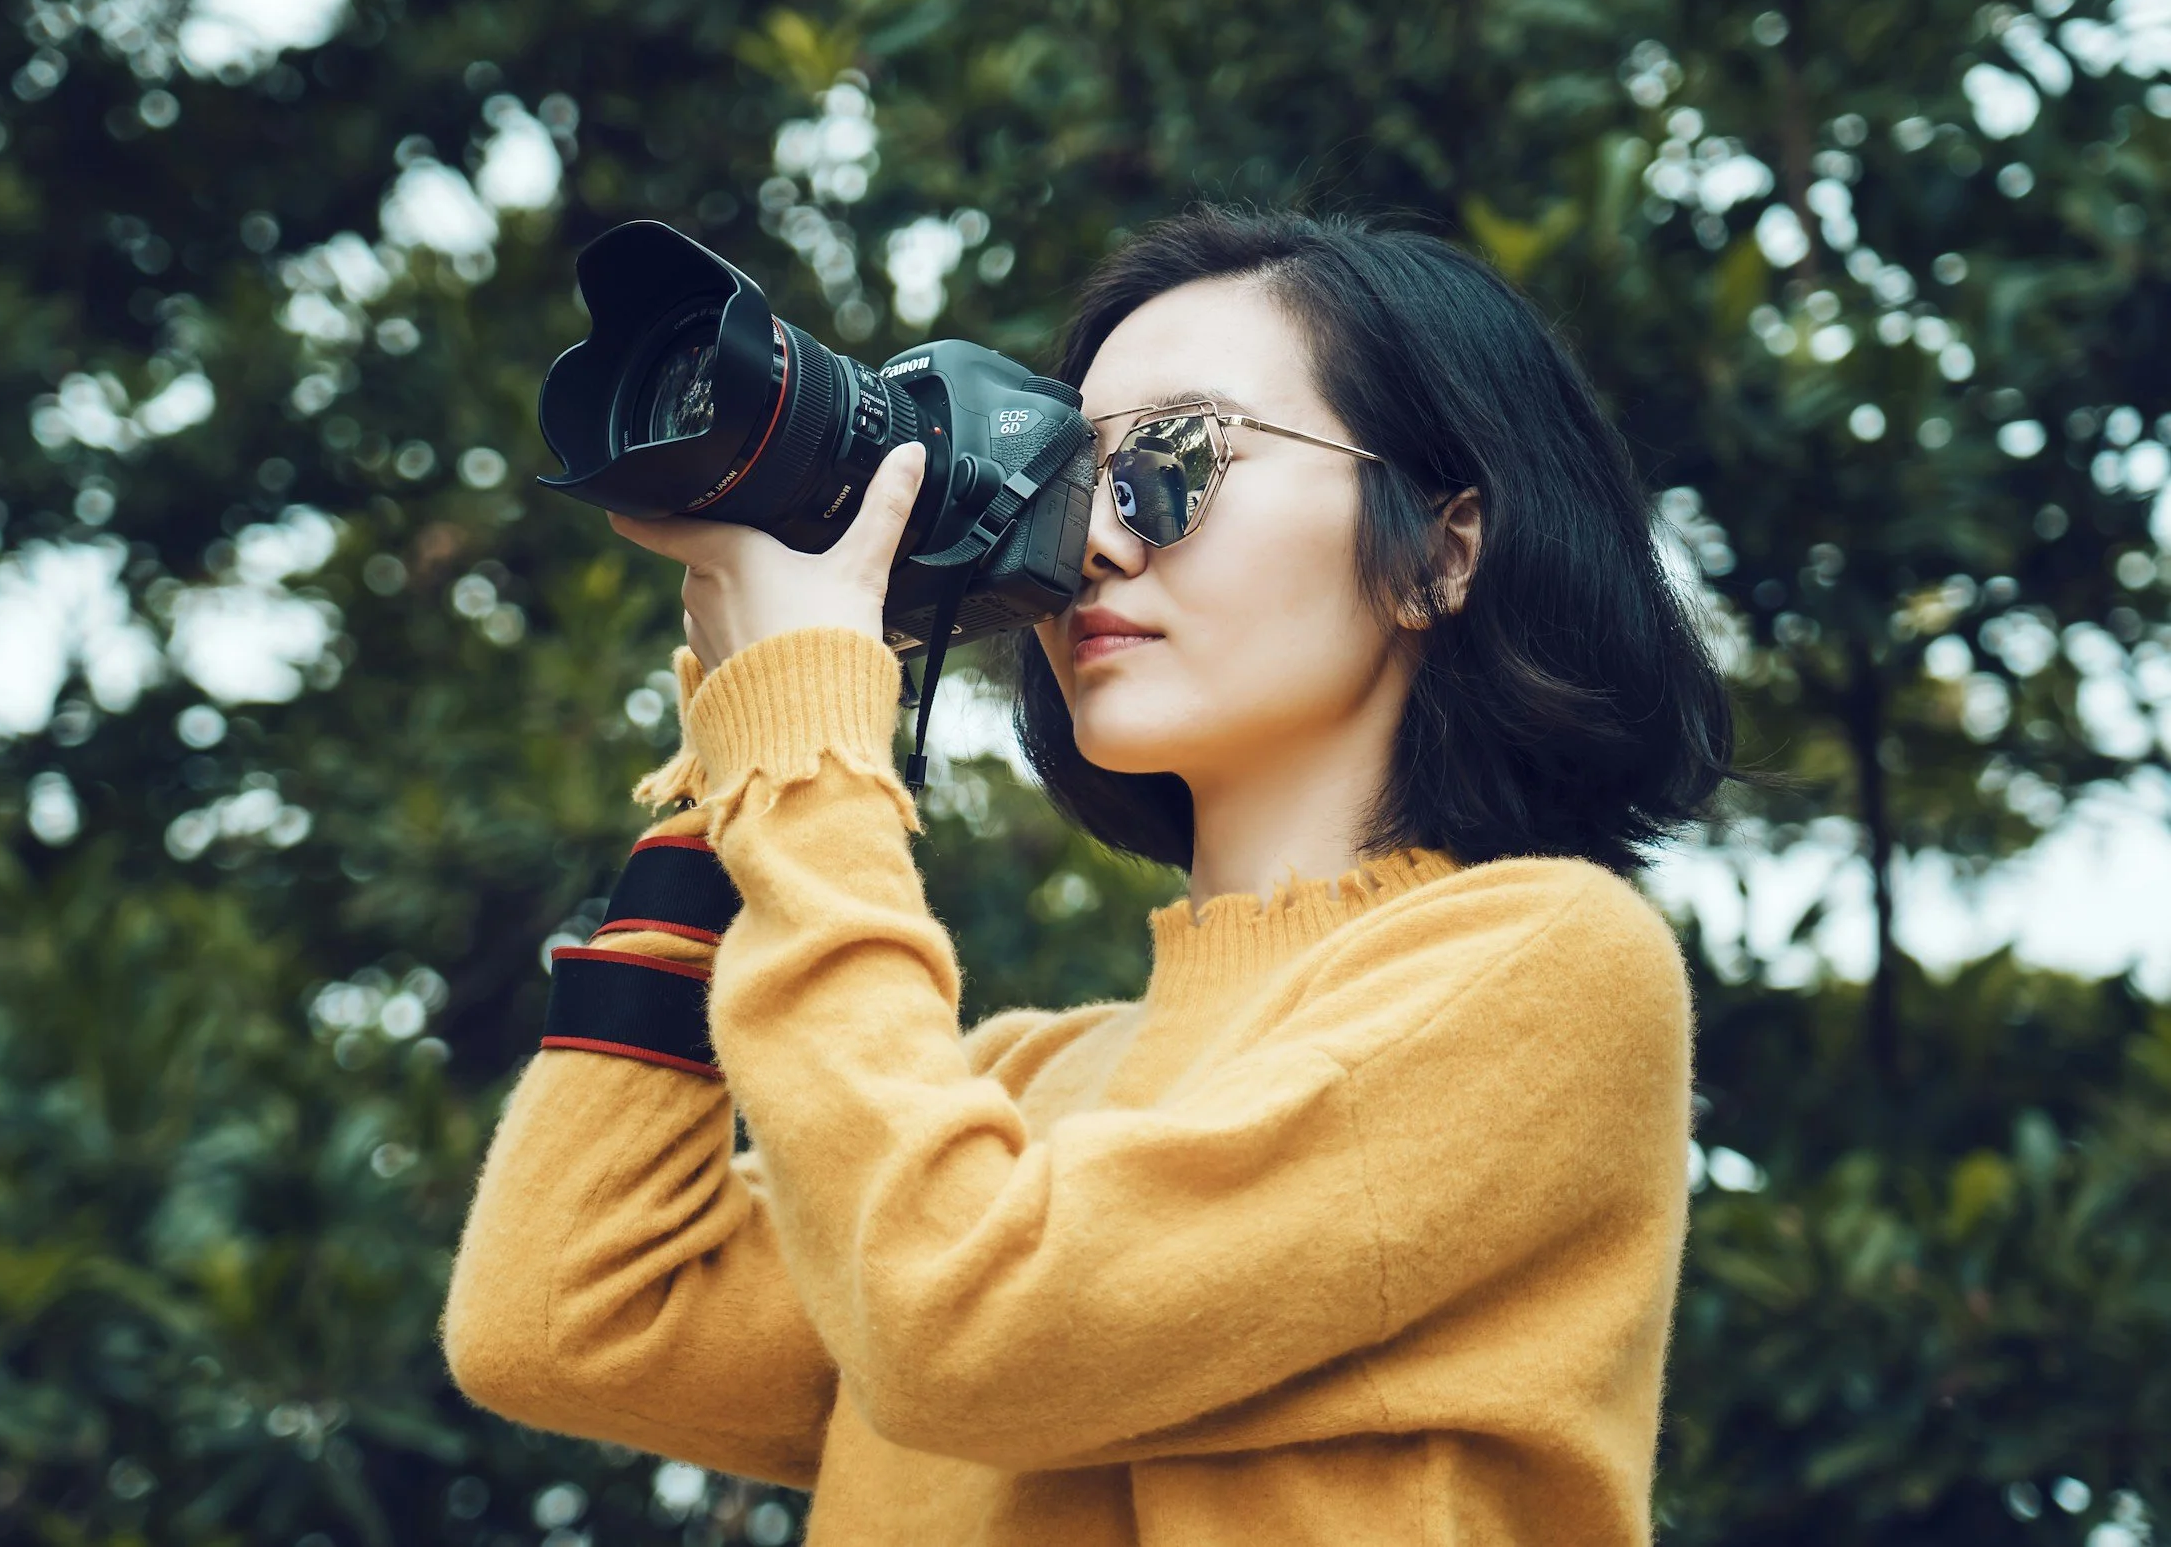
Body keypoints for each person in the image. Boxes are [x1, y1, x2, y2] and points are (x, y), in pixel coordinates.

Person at [441, 204, 1740, 1545]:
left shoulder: (1551, 969)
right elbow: (567, 1313)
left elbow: (962, 1324)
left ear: (1442, 549)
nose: (1096, 545)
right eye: (1071, 475)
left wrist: (814, 764)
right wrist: (742, 766)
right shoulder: (1013, 1095)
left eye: (1176, 461)